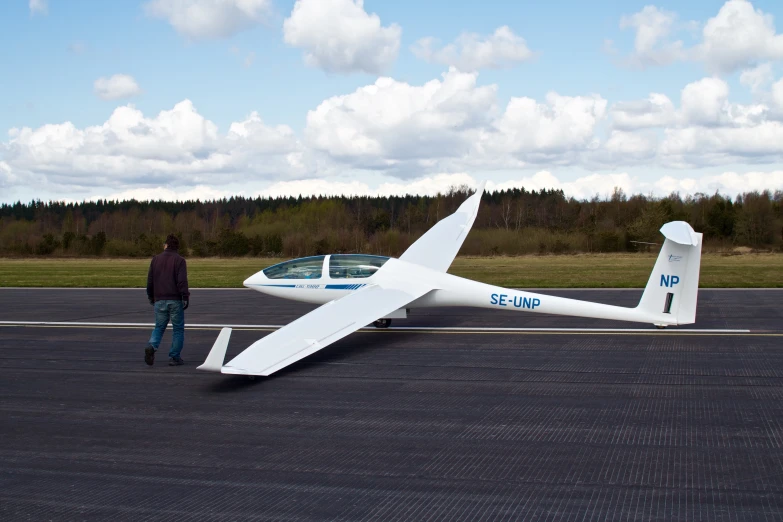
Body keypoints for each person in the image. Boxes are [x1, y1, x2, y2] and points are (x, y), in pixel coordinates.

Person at [144, 234, 190, 366]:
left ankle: (152, 346)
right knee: (178, 329)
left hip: (159, 299)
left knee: (159, 327)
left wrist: (151, 296)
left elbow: (150, 281)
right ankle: (174, 357)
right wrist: (185, 296)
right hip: (175, 299)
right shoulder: (180, 260)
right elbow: (182, 281)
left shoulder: (155, 259)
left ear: (166, 245)